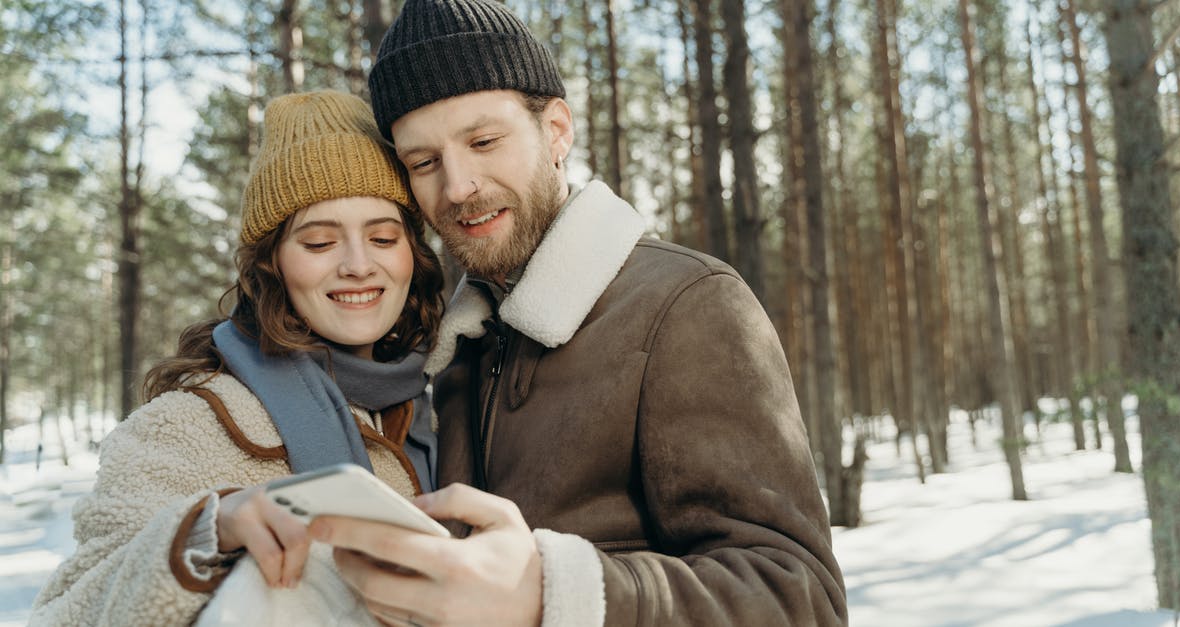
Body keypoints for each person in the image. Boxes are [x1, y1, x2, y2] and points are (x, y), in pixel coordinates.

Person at [306, 1, 849, 626]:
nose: (457, 186)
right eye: (423, 162)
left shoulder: (686, 304)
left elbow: (799, 598)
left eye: (484, 141)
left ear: (557, 130)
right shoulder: (452, 350)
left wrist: (552, 591)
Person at [30, 90, 444, 626]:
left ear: (413, 251)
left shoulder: (445, 407)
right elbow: (65, 612)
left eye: (383, 237)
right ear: (271, 263)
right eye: (319, 243)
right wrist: (209, 529)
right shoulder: (186, 424)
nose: (358, 265)